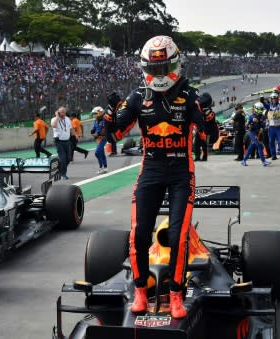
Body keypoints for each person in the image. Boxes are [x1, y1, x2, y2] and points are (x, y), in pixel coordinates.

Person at [104, 35, 216, 319]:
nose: (158, 74)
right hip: (150, 168)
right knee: (139, 233)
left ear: (176, 64)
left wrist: (209, 115)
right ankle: (141, 290)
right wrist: (110, 116)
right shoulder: (137, 96)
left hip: (181, 170)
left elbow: (210, 138)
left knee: (178, 237)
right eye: (153, 69)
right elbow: (115, 135)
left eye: (163, 67)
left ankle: (177, 294)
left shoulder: (190, 96)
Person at [241, 102, 272, 167]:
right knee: (259, 146)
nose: (261, 110)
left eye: (261, 109)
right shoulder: (251, 117)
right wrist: (251, 124)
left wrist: (262, 127)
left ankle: (244, 160)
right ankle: (263, 161)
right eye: (260, 109)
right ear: (256, 109)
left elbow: (263, 125)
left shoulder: (262, 116)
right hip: (252, 133)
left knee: (251, 147)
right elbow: (246, 126)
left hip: (258, 133)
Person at [51, 106, 76, 180]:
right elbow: (54, 125)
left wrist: (75, 136)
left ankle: (60, 168)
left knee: (69, 158)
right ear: (58, 112)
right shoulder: (55, 119)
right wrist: (57, 117)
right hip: (59, 141)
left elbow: (71, 129)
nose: (63, 113)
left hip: (67, 141)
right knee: (63, 158)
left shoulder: (67, 119)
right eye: (61, 112)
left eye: (64, 112)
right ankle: (63, 174)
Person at [264, 92, 280, 160]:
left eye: (275, 99)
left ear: (277, 99)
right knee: (271, 142)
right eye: (273, 99)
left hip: (279, 127)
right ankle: (273, 156)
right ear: (271, 99)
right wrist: (262, 101)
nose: (274, 100)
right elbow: (265, 105)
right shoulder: (269, 106)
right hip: (271, 127)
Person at [90, 106, 108, 173]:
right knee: (102, 153)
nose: (94, 115)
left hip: (103, 138)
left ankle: (101, 167)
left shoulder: (104, 120)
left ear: (100, 113)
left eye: (95, 113)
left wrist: (97, 134)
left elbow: (103, 131)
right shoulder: (95, 121)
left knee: (97, 153)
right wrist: (92, 131)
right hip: (98, 139)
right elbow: (93, 129)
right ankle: (105, 167)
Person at [106, 91, 122, 156]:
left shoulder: (112, 108)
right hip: (112, 124)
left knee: (113, 139)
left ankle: (114, 151)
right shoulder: (111, 108)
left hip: (112, 125)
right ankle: (113, 151)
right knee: (112, 139)